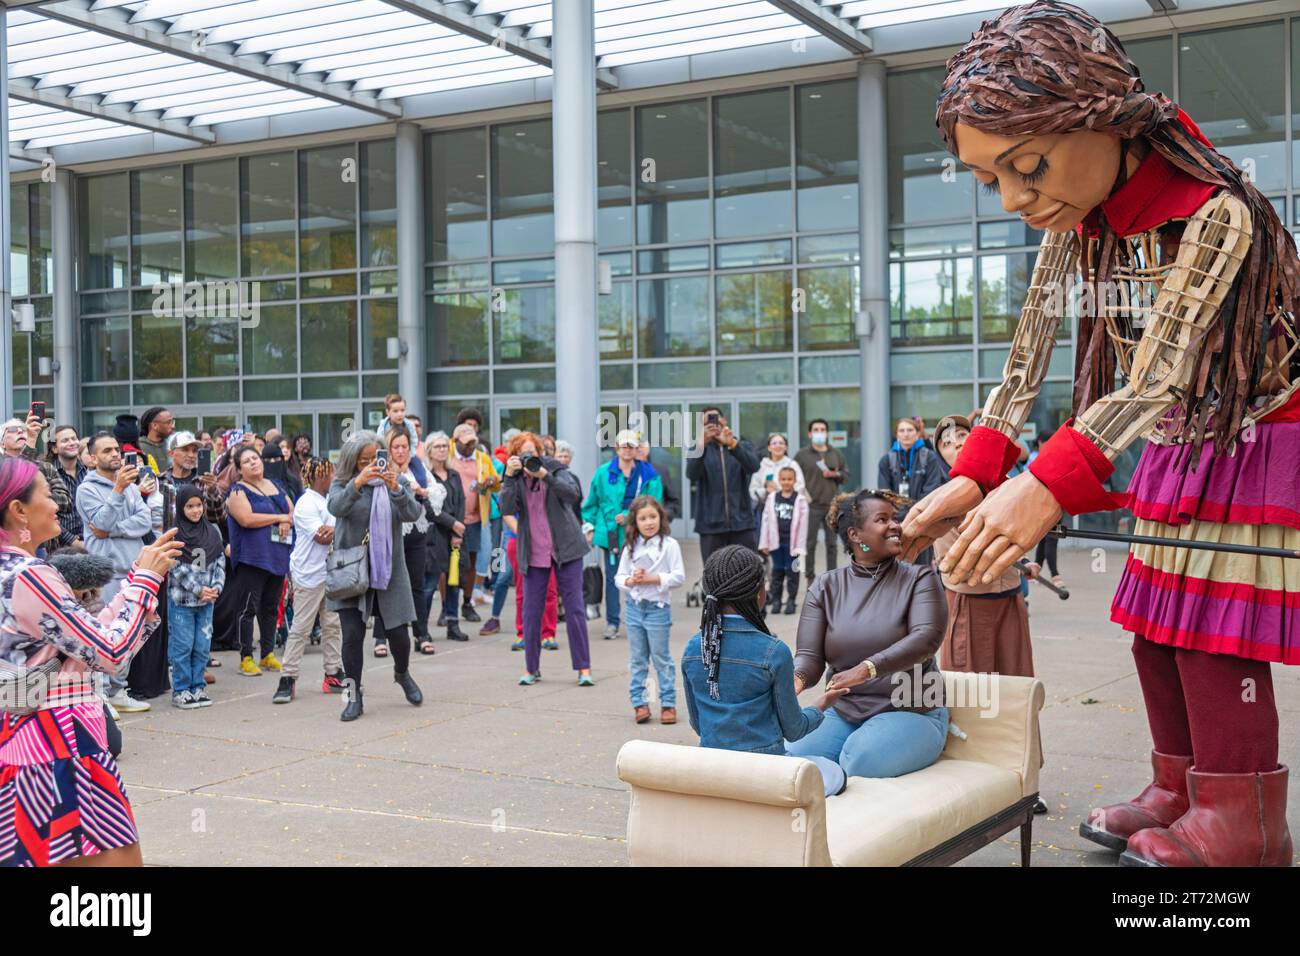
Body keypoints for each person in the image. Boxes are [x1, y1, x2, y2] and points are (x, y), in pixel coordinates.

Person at [903, 0, 1299, 867]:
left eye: (1029, 164)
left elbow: (1154, 373)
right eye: (990, 180)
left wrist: (1043, 484)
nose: (1014, 198)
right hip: (1178, 441)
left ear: (1103, 118)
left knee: (1210, 625)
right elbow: (1028, 355)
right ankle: (1181, 783)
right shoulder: (1077, 226)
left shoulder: (1215, 211)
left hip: (1253, 436)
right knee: (1154, 620)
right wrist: (978, 470)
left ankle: (1246, 818)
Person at [0, 456, 184, 867]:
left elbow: (84, 640)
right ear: (18, 510)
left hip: (21, 737)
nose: (58, 506)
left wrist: (135, 579)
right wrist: (146, 581)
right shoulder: (30, 575)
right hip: (61, 742)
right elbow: (110, 653)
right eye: (48, 496)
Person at [787, 490, 950, 782]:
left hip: (914, 711)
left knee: (860, 759)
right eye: (883, 519)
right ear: (855, 534)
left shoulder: (920, 579)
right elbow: (810, 658)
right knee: (791, 756)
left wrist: (866, 669)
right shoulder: (826, 587)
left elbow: (926, 639)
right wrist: (795, 680)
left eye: (895, 518)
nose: (896, 525)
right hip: (845, 711)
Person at [680, 545, 848, 798]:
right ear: (759, 593)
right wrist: (822, 704)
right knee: (835, 773)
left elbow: (698, 724)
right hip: (766, 776)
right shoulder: (773, 651)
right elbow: (794, 730)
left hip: (714, 772)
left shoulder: (694, 648)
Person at [327, 431, 425, 721]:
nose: (370, 465)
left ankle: (402, 673)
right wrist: (357, 483)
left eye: (375, 459)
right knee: (353, 636)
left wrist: (396, 488)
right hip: (352, 568)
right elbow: (336, 507)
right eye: (363, 461)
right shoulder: (343, 482)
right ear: (352, 461)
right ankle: (353, 695)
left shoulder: (397, 480)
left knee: (399, 635)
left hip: (389, 568)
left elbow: (414, 513)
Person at [498, 431, 594, 686]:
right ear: (516, 456)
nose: (529, 457)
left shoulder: (555, 469)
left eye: (533, 452)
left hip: (567, 549)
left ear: (541, 453)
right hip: (534, 553)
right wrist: (508, 476)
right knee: (531, 612)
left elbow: (573, 495)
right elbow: (506, 508)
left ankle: (584, 668)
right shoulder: (514, 478)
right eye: (523, 453)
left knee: (574, 609)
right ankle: (531, 669)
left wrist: (544, 475)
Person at [75, 432, 155, 715]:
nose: (115, 454)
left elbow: (144, 521)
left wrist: (114, 530)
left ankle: (119, 690)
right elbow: (99, 522)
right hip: (106, 574)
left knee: (129, 637)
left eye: (116, 449)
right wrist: (118, 491)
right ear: (93, 458)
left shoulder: (130, 484)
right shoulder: (87, 489)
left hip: (132, 569)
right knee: (104, 636)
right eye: (107, 451)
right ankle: (102, 695)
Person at [274, 458, 346, 703]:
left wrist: (335, 529)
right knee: (301, 629)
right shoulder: (306, 504)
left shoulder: (329, 501)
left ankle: (333, 674)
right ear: (319, 477)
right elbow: (322, 538)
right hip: (308, 574)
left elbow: (333, 531)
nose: (334, 478)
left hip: (331, 573)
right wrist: (338, 529)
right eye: (330, 474)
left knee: (333, 625)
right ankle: (288, 678)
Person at [582, 429, 664, 640]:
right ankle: (612, 622)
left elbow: (654, 503)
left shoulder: (649, 474)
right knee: (613, 579)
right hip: (610, 535)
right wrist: (589, 528)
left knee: (639, 577)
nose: (627, 450)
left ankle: (640, 620)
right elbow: (591, 505)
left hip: (639, 535)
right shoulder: (603, 473)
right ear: (617, 448)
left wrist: (630, 516)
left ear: (637, 448)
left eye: (631, 446)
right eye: (623, 446)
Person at [614, 496, 684, 724]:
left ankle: (667, 703)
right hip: (634, 609)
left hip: (658, 609)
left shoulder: (669, 545)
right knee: (637, 659)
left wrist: (653, 579)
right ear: (635, 522)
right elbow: (619, 576)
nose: (649, 522)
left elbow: (678, 576)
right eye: (643, 518)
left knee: (661, 658)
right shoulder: (631, 547)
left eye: (653, 517)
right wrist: (630, 582)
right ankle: (640, 703)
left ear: (660, 518)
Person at [225, 445, 293, 677]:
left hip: (277, 555)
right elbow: (246, 519)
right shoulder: (237, 491)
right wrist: (279, 517)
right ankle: (246, 657)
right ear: (239, 469)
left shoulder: (277, 486)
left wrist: (287, 521)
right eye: (246, 461)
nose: (253, 462)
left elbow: (293, 513)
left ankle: (267, 653)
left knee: (271, 607)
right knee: (247, 608)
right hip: (251, 558)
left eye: (255, 458)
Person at [167, 486, 225, 710]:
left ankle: (197, 686)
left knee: (202, 646)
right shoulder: (175, 534)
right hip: (183, 601)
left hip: (206, 602)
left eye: (199, 505)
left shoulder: (211, 532)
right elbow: (175, 567)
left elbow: (219, 562)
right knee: (182, 646)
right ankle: (181, 690)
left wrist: (216, 588)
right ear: (181, 508)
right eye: (189, 506)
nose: (195, 511)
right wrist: (198, 589)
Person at [686, 406, 760, 561]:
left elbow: (754, 466)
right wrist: (702, 446)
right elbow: (691, 474)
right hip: (710, 524)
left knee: (746, 570)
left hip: (742, 522)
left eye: (715, 418)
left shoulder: (741, 445)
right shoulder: (697, 448)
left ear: (724, 420)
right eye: (707, 421)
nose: (712, 423)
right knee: (714, 574)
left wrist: (733, 445)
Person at [388, 428, 439, 656]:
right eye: (396, 447)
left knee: (417, 585)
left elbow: (438, 491)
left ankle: (421, 634)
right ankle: (382, 637)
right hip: (392, 534)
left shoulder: (417, 467)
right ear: (389, 450)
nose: (401, 451)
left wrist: (421, 490)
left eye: (404, 447)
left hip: (417, 532)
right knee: (387, 584)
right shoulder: (384, 469)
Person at [447, 422, 500, 624]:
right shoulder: (449, 457)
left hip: (475, 518)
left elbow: (496, 482)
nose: (470, 448)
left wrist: (489, 483)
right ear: (456, 441)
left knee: (470, 562)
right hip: (453, 519)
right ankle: (447, 607)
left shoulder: (482, 458)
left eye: (472, 443)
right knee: (451, 564)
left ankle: (467, 603)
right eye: (466, 443)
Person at [3, 415, 75, 550]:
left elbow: (66, 502)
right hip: (12, 545)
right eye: (12, 429)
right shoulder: (3, 471)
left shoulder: (45, 467)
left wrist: (34, 497)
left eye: (23, 429)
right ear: (2, 442)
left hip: (46, 546)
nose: (20, 431)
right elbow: (16, 481)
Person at [424, 432, 470, 642]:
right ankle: (421, 629)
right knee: (429, 584)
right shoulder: (425, 476)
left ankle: (453, 624)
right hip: (434, 535)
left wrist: (457, 531)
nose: (442, 449)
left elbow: (460, 503)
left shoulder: (454, 475)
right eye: (438, 446)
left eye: (445, 446)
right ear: (429, 451)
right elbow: (429, 509)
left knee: (454, 581)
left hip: (455, 537)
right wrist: (452, 524)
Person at [794, 419, 848, 583]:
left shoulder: (835, 453)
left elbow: (845, 475)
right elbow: (793, 477)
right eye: (816, 430)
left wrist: (835, 475)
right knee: (809, 544)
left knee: (832, 544)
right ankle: (810, 578)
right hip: (810, 506)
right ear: (810, 434)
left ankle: (831, 577)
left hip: (832, 506)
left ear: (827, 433)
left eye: (822, 429)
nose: (819, 432)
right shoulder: (801, 455)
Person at [757, 464, 808, 615]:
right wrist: (764, 543)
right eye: (783, 479)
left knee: (793, 573)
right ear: (779, 480)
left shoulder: (800, 500)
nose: (786, 482)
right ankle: (777, 600)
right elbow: (765, 521)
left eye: (789, 479)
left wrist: (800, 546)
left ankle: (791, 601)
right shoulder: (772, 498)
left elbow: (803, 525)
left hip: (792, 545)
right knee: (777, 572)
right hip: (776, 544)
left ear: (795, 480)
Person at [47, 424, 87, 548]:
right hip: (59, 545)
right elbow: (46, 514)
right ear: (54, 448)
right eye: (65, 440)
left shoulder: (88, 470)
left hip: (90, 541)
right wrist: (73, 542)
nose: (72, 443)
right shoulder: (47, 473)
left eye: (74, 439)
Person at [749, 432, 806, 517]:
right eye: (774, 443)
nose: (778, 446)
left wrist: (780, 491)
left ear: (786, 447)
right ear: (769, 448)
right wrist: (766, 491)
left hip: (789, 511)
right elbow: (753, 491)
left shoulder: (792, 465)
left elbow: (800, 487)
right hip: (765, 512)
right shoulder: (761, 466)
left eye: (781, 443)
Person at [636, 439, 680, 520]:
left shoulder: (660, 472)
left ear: (648, 448)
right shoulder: (622, 473)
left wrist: (662, 516)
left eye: (642, 445)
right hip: (627, 528)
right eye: (636, 446)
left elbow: (673, 501)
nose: (639, 449)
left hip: (656, 528)